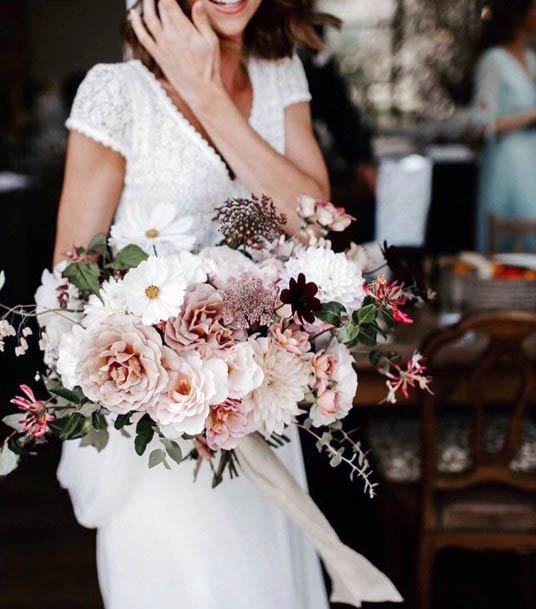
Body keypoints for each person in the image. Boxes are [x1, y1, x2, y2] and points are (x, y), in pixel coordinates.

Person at [53, 1, 334, 608]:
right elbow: (68, 285)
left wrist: (206, 94)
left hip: (260, 411)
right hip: (159, 434)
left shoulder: (280, 73)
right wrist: (156, 390)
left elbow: (312, 226)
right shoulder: (116, 93)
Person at [471, 0, 536, 251]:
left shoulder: (531, 59)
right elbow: (483, 122)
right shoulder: (493, 61)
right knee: (508, 237)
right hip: (507, 163)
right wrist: (530, 115)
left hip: (531, 160)